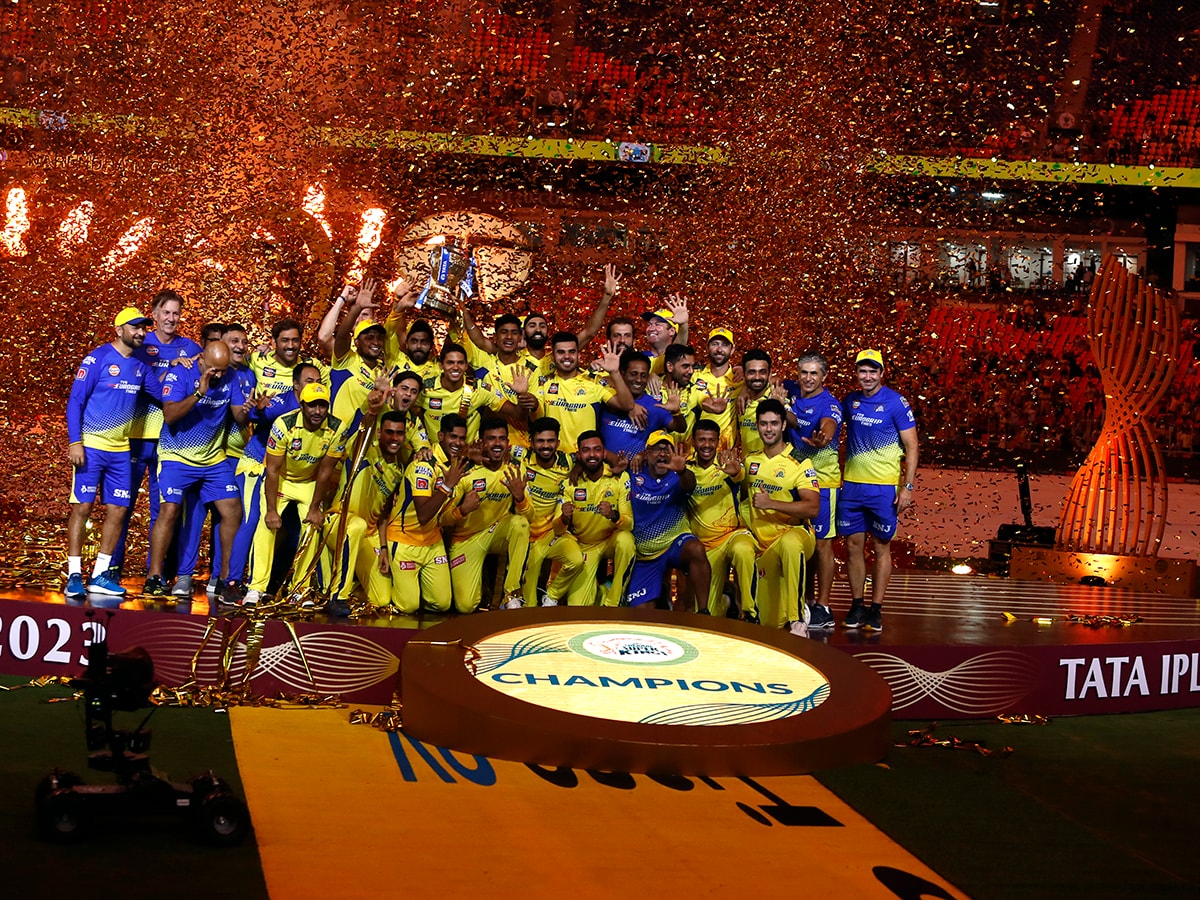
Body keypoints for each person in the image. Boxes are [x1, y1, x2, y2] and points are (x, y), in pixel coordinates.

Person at [64, 307, 163, 598]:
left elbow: (164, 398)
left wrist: (194, 375)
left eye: (144, 327)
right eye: (135, 327)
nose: (141, 332)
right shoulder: (97, 359)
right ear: (119, 330)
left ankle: (99, 575)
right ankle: (73, 575)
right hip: (91, 447)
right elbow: (75, 402)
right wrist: (75, 442)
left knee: (118, 510)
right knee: (82, 508)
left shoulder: (142, 367)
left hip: (121, 449)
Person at [142, 339, 248, 598]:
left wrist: (249, 410)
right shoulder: (180, 374)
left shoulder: (230, 377)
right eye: (214, 369)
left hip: (212, 458)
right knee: (169, 510)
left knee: (233, 510)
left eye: (222, 370)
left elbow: (238, 415)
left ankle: (225, 580)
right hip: (176, 456)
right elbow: (170, 415)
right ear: (202, 360)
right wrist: (199, 393)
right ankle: (154, 577)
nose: (218, 375)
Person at [113, 289, 202, 578]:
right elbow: (131, 381)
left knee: (161, 511)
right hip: (135, 437)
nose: (171, 319)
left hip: (169, 442)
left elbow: (216, 365)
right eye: (166, 312)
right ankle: (111, 569)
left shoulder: (190, 348)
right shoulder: (139, 341)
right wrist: (169, 372)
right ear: (154, 314)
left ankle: (157, 575)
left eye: (176, 313)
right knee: (121, 506)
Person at [242, 382, 348, 607]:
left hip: (309, 481)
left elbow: (326, 472)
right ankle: (256, 588)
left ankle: (300, 589)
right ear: (302, 405)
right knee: (266, 525)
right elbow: (271, 469)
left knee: (311, 526)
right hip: (281, 479)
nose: (317, 411)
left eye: (322, 405)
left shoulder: (337, 428)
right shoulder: (284, 424)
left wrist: (314, 508)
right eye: (312, 406)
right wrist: (271, 510)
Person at [223, 362, 321, 602]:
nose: (314, 386)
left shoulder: (318, 412)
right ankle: (232, 583)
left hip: (284, 477)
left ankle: (276, 583)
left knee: (295, 529)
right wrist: (257, 408)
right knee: (254, 517)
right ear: (296, 385)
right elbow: (259, 413)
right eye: (309, 382)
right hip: (257, 465)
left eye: (318, 381)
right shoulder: (283, 403)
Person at [837, 349, 918, 632]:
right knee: (852, 547)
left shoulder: (896, 403)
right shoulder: (851, 400)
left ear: (882, 373)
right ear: (857, 374)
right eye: (863, 371)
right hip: (853, 486)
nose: (867, 376)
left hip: (884, 489)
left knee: (881, 546)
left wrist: (906, 487)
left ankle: (876, 608)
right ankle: (857, 604)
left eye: (873, 371)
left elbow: (912, 446)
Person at [377, 413, 470, 615]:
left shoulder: (455, 466)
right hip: (404, 542)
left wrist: (462, 511)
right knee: (408, 606)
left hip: (432, 543)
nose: (458, 443)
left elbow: (440, 516)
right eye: (453, 437)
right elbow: (424, 515)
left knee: (442, 604)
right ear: (441, 436)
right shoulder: (424, 464)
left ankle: (412, 587)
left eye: (462, 438)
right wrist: (447, 485)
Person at [741, 399, 819, 637]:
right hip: (763, 545)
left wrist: (771, 503)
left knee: (790, 543)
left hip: (795, 534)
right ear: (757, 426)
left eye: (774, 423)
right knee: (770, 626)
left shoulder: (800, 462)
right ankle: (746, 611)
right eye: (763, 424)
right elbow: (743, 499)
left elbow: (812, 508)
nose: (768, 429)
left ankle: (798, 620)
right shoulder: (750, 460)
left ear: (783, 425)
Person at [440, 418, 532, 613]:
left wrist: (520, 498)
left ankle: (511, 594)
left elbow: (530, 516)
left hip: (498, 531)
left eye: (501, 439)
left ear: (508, 443)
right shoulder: (466, 471)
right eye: (491, 439)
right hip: (467, 539)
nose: (497, 444)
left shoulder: (516, 469)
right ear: (482, 442)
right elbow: (443, 518)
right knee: (466, 606)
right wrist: (463, 509)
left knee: (520, 523)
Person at [786, 352, 843, 629]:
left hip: (823, 483)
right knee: (803, 543)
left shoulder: (829, 403)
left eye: (814, 373)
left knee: (822, 546)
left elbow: (828, 425)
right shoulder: (791, 390)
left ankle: (824, 606)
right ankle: (805, 601)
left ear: (824, 376)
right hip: (794, 480)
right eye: (803, 372)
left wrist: (825, 438)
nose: (808, 378)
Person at [625, 431, 712, 611]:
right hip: (645, 556)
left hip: (675, 544)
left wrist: (682, 471)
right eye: (656, 449)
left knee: (696, 549)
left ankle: (704, 611)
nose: (662, 454)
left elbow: (690, 484)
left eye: (666, 449)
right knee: (641, 616)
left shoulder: (679, 475)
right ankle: (662, 591)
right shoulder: (633, 473)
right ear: (646, 453)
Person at [687, 420, 757, 619]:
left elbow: (739, 475)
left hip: (732, 535)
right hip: (707, 547)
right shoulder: (687, 469)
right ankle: (728, 599)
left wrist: (736, 471)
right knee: (709, 615)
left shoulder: (727, 465)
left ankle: (750, 612)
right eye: (701, 440)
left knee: (743, 550)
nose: (706, 445)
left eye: (711, 440)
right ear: (693, 441)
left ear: (718, 441)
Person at [556, 431, 634, 607]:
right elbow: (558, 530)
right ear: (578, 455)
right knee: (577, 608)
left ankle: (613, 601)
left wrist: (614, 515)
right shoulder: (569, 482)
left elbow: (629, 525)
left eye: (597, 450)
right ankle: (602, 590)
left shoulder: (620, 477)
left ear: (604, 453)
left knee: (626, 541)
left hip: (609, 541)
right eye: (586, 450)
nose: (592, 455)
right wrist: (564, 518)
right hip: (584, 546)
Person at [528, 333, 633, 453]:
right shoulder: (543, 382)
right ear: (552, 357)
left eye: (572, 352)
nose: (567, 356)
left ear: (578, 355)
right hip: (553, 460)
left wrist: (615, 372)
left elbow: (627, 405)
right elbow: (535, 419)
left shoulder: (594, 381)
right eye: (561, 352)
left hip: (585, 459)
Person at [517, 418, 583, 608]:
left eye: (550, 441)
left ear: (558, 443)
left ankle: (551, 595)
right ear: (531, 442)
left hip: (552, 533)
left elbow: (596, 457)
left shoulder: (568, 460)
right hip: (526, 535)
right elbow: (492, 449)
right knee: (528, 606)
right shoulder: (520, 456)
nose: (546, 446)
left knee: (576, 561)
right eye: (540, 441)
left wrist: (578, 468)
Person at [417, 341, 522, 441]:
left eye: (460, 363)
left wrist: (522, 394)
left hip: (469, 455)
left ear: (466, 366)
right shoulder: (424, 389)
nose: (455, 367)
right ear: (441, 366)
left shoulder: (479, 388)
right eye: (450, 363)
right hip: (435, 456)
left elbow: (517, 413)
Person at [598, 349, 682, 458]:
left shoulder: (654, 406)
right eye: (633, 374)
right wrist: (630, 407)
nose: (638, 380)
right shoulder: (609, 397)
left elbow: (680, 427)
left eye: (643, 375)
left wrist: (676, 412)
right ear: (622, 374)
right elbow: (601, 381)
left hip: (636, 471)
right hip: (603, 468)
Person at [735, 348, 789, 455]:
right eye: (751, 372)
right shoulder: (740, 398)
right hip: (749, 466)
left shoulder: (775, 394)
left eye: (762, 372)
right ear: (744, 374)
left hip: (775, 467)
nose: (757, 377)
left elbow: (794, 421)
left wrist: (778, 407)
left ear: (769, 374)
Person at [693, 327, 739, 448]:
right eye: (715, 344)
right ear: (707, 347)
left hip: (725, 453)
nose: (719, 349)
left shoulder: (739, 381)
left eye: (724, 345)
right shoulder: (694, 376)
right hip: (695, 451)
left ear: (732, 350)